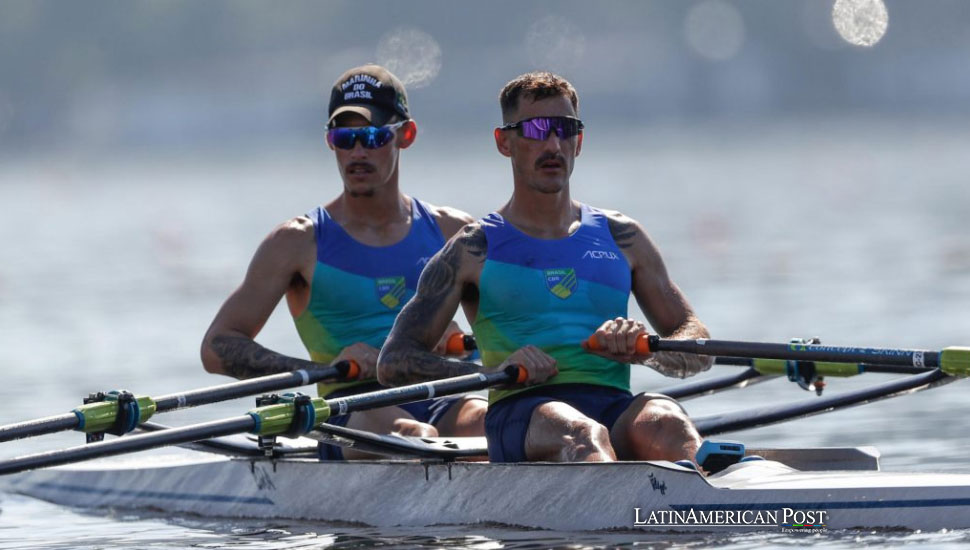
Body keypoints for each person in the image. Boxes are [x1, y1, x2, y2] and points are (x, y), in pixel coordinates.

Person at [378, 71, 713, 464]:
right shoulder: (473, 249)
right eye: (536, 130)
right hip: (521, 413)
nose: (553, 144)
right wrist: (495, 370)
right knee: (583, 434)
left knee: (669, 421)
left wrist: (647, 353)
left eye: (564, 129)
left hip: (614, 406)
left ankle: (710, 510)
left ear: (579, 141)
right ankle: (626, 514)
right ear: (505, 142)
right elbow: (394, 361)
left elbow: (699, 345)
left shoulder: (624, 237)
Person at [201, 64, 487, 460]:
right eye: (344, 138)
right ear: (329, 142)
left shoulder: (455, 233)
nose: (357, 152)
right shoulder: (297, 242)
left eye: (371, 136)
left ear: (406, 135)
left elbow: (509, 333)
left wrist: (465, 343)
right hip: (352, 410)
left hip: (440, 396)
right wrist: (325, 367)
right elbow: (216, 347)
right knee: (413, 435)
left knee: (492, 422)